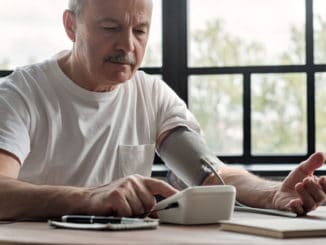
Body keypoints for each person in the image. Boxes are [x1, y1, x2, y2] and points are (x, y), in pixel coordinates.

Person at [0, 0, 325, 220]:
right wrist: (89, 198)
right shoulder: (21, 94)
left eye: (140, 30)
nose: (128, 45)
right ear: (71, 26)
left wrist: (273, 194)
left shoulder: (151, 93)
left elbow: (210, 174)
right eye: (111, 28)